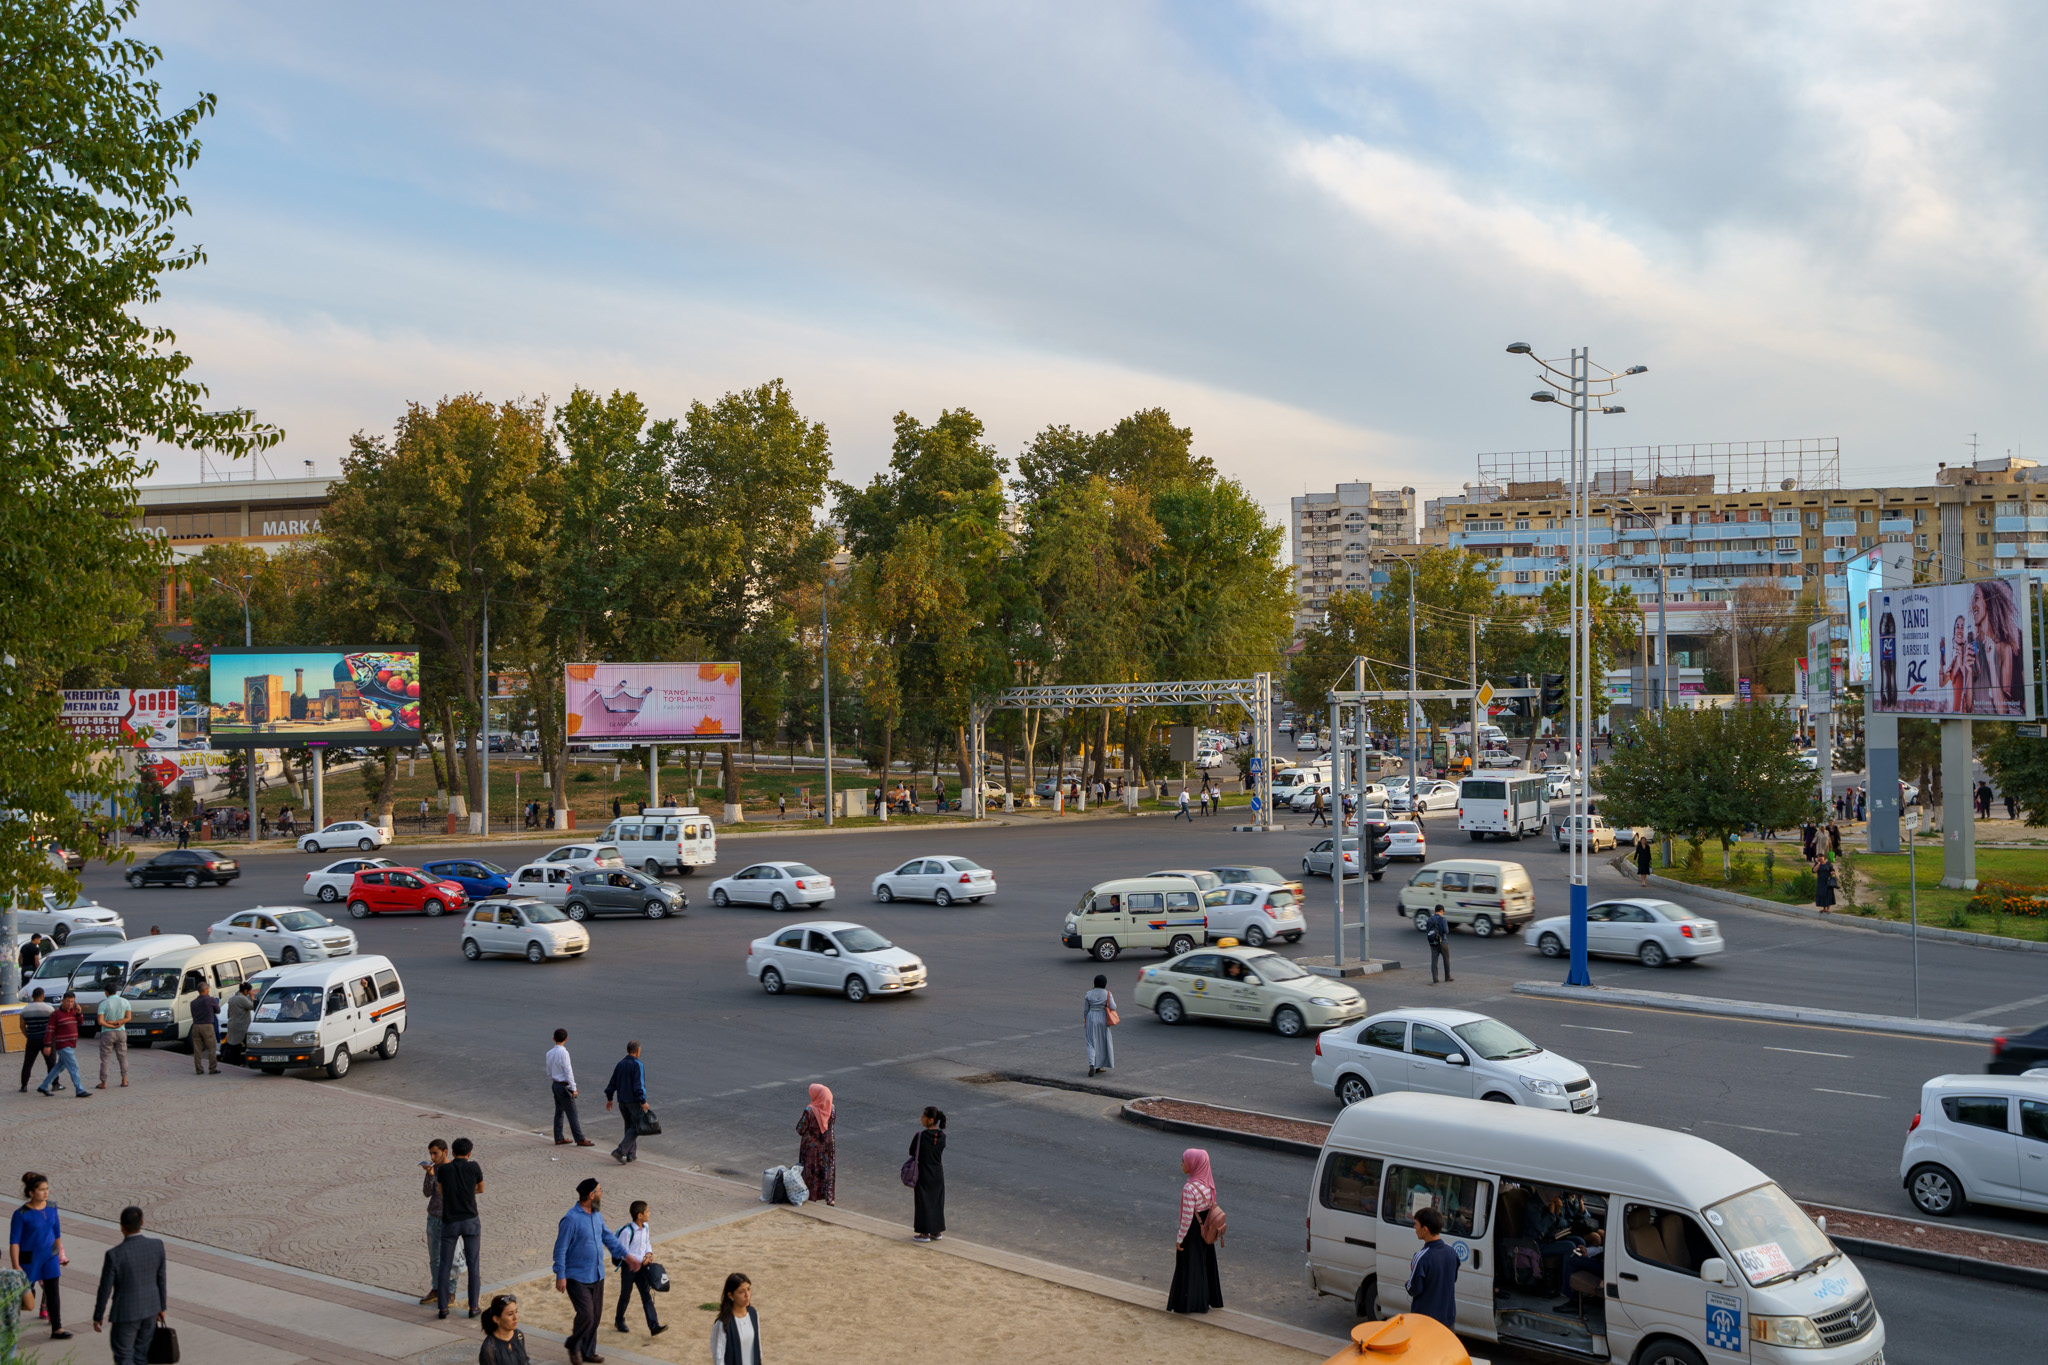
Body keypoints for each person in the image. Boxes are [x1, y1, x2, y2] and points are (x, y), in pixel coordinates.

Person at [552, 1176, 636, 1365]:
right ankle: (573, 1345)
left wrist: (627, 1256)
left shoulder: (596, 1215)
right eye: (600, 1191)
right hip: (576, 1277)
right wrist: (560, 1274)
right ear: (591, 1195)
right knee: (587, 1315)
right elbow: (560, 1249)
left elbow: (608, 1237)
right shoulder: (570, 1219)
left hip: (597, 1274)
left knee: (595, 1317)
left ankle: (588, 1352)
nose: (602, 1194)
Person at [91, 1205, 166, 1365]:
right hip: (151, 1309)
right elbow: (161, 1279)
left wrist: (98, 1315)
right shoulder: (157, 1246)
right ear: (142, 1222)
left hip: (125, 1313)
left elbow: (105, 1288)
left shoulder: (114, 1254)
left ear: (121, 1227)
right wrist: (162, 1307)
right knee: (141, 1354)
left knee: (124, 1355)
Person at [10, 1172, 69, 1341]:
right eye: (42, 1189)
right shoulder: (21, 1214)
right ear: (31, 1192)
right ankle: (10, 1329)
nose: (46, 1192)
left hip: (49, 1258)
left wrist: (61, 1254)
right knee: (24, 1297)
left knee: (53, 1291)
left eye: (47, 1189)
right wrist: (16, 1265)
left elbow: (56, 1232)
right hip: (28, 1261)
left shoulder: (52, 1207)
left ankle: (57, 1328)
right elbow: (14, 1241)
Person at [1167, 1148, 1222, 1314]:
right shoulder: (1208, 1185)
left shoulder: (1189, 1189)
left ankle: (1187, 1303)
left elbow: (1186, 1218)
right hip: (1205, 1234)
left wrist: (1179, 1238)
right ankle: (1204, 1300)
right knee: (1204, 1265)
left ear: (1193, 1164)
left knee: (1188, 1267)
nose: (1182, 1164)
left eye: (1184, 1161)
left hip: (1192, 1234)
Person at [436, 1137, 484, 1320]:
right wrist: (467, 1191)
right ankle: (473, 1307)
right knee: (473, 1264)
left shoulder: (445, 1169)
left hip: (450, 1221)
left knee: (445, 1265)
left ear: (453, 1152)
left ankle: (442, 1308)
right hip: (471, 1220)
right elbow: (481, 1188)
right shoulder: (474, 1167)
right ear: (469, 1153)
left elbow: (441, 1191)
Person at [421, 1139, 469, 1306]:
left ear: (445, 1152)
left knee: (452, 1257)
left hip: (450, 1219)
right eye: (431, 1154)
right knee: (434, 1256)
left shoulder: (453, 1169)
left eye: (435, 1153)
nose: (433, 1157)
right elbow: (427, 1193)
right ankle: (436, 1288)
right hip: (433, 1217)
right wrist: (429, 1175)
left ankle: (450, 1292)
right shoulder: (433, 1169)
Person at [611, 1199, 664, 1337]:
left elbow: (647, 1243)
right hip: (629, 1269)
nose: (649, 1213)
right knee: (625, 1295)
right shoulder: (627, 1232)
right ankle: (619, 1320)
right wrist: (642, 1259)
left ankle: (654, 1326)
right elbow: (623, 1253)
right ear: (640, 1215)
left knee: (646, 1295)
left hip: (642, 1268)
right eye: (647, 1211)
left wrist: (649, 1253)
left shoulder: (646, 1227)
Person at [1405, 1206, 1458, 1331]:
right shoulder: (1451, 1252)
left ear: (1425, 1229)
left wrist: (1407, 1284)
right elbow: (1452, 1279)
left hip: (1425, 1322)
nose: (1414, 1228)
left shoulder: (1422, 1257)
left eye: (1416, 1225)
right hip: (1447, 1320)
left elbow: (1414, 1288)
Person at [37, 993, 90, 1099]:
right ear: (62, 1001)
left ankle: (43, 1086)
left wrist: (79, 1013)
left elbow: (80, 1023)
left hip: (71, 1044)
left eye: (72, 1001)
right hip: (62, 1044)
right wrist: (47, 1045)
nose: (70, 1004)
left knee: (60, 1066)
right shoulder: (55, 1014)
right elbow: (50, 1030)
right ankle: (79, 1090)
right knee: (73, 1066)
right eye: (67, 1001)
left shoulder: (74, 1012)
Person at [603, 1041, 647, 1165]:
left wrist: (610, 1098)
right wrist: (643, 1101)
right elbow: (639, 1086)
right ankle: (620, 1151)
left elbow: (612, 1082)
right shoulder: (638, 1065)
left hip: (622, 1101)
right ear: (637, 1051)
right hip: (634, 1101)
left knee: (629, 1127)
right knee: (636, 1127)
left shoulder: (620, 1064)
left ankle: (631, 1154)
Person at [548, 1028, 592, 1147]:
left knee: (559, 1111)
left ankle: (558, 1137)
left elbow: (549, 1071)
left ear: (553, 1039)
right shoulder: (564, 1053)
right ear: (566, 1039)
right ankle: (580, 1138)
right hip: (564, 1086)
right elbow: (568, 1071)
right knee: (572, 1113)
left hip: (555, 1084)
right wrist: (573, 1087)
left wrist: (553, 1079)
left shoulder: (549, 1053)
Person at [909, 1106, 946, 1242]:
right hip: (938, 1173)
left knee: (923, 1202)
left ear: (930, 1120)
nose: (921, 1119)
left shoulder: (921, 1136)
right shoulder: (942, 1136)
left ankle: (924, 1233)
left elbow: (912, 1151)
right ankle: (937, 1231)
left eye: (923, 1117)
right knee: (937, 1202)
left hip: (923, 1173)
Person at [796, 1085, 836, 1206]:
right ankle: (829, 1198)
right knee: (827, 1171)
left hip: (811, 1148)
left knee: (810, 1171)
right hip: (828, 1145)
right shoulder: (832, 1108)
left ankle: (811, 1196)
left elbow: (800, 1129)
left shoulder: (810, 1110)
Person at [709, 1272, 762, 1365]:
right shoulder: (723, 1323)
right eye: (741, 1292)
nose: (747, 1295)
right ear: (731, 1295)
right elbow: (718, 1357)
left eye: (748, 1289)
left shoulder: (753, 1314)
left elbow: (758, 1346)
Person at [17, 988, 55, 1094]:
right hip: (46, 1040)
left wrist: (28, 1036)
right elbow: (53, 1025)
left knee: (28, 1063)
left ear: (32, 996)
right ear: (43, 995)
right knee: (51, 1062)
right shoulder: (49, 1009)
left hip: (32, 1039)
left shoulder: (25, 1010)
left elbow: (22, 1026)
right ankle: (55, 1084)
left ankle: (24, 1085)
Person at [479, 1293, 531, 1365]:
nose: (515, 1318)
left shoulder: (519, 1335)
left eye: (516, 1311)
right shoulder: (489, 1348)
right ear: (496, 1319)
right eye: (510, 1314)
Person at [96, 986, 131, 1088]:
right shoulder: (125, 1001)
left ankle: (103, 1082)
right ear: (116, 991)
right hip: (121, 1032)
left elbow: (100, 1021)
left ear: (106, 992)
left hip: (107, 1033)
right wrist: (118, 1023)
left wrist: (111, 1024)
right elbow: (128, 1018)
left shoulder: (103, 1003)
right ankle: (124, 1080)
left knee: (105, 1059)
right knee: (122, 1057)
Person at [1083, 975, 1116, 1077]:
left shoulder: (1089, 994)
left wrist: (1086, 1019)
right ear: (1105, 984)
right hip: (1102, 1017)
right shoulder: (1107, 994)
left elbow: (1085, 1010)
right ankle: (1100, 1066)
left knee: (1091, 1042)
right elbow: (1113, 1007)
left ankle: (1092, 1064)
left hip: (1091, 1017)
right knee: (1102, 1042)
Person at [187, 978, 221, 1076]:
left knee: (197, 1049)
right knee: (211, 1048)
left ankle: (199, 1069)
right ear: (205, 990)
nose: (209, 990)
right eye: (208, 989)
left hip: (196, 1026)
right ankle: (212, 1068)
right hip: (207, 1026)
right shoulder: (210, 1000)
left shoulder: (193, 1002)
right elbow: (218, 1010)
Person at [223, 980, 255, 1068]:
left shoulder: (232, 998)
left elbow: (229, 1013)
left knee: (234, 1045)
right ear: (245, 991)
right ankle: (244, 1063)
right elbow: (253, 1007)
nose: (250, 993)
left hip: (232, 1024)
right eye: (249, 991)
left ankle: (234, 1064)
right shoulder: (242, 999)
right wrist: (252, 997)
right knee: (248, 1043)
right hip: (241, 1026)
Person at [1425, 909, 1452, 985]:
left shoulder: (1429, 919)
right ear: (1441, 911)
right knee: (1446, 960)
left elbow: (1427, 931)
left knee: (1434, 961)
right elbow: (1446, 931)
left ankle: (1435, 979)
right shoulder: (1443, 919)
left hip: (1433, 943)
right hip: (1443, 942)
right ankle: (1447, 977)